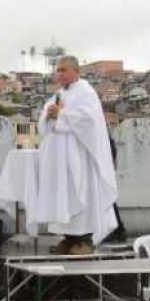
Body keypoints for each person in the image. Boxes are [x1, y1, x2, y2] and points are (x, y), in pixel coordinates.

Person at [34, 55, 119, 254]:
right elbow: (44, 121)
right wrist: (49, 115)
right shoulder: (58, 94)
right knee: (63, 195)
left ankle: (85, 240)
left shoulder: (85, 91)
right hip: (60, 159)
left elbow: (89, 120)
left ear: (75, 70)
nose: (59, 74)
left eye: (63, 70)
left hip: (80, 156)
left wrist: (61, 115)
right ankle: (69, 238)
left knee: (82, 193)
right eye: (58, 70)